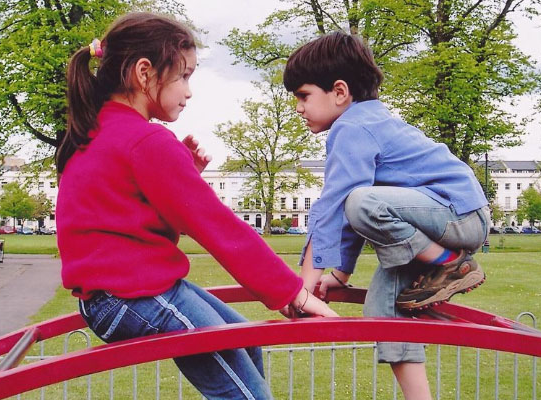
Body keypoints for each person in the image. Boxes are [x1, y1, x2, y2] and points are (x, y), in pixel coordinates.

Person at [55, 12, 337, 400]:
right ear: (144, 72)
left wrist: (181, 172)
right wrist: (292, 292)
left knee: (247, 344)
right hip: (134, 294)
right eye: (184, 76)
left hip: (119, 294)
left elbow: (121, 212)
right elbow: (216, 226)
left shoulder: (96, 129)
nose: (189, 92)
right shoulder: (146, 141)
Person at [282, 31, 490, 399]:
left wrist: (302, 287)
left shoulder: (353, 127)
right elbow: (350, 213)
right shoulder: (364, 122)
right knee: (384, 312)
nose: (298, 107)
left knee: (360, 201)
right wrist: (340, 275)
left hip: (458, 213)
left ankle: (450, 264)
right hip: (436, 218)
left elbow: (336, 208)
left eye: (303, 95)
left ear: (340, 92)